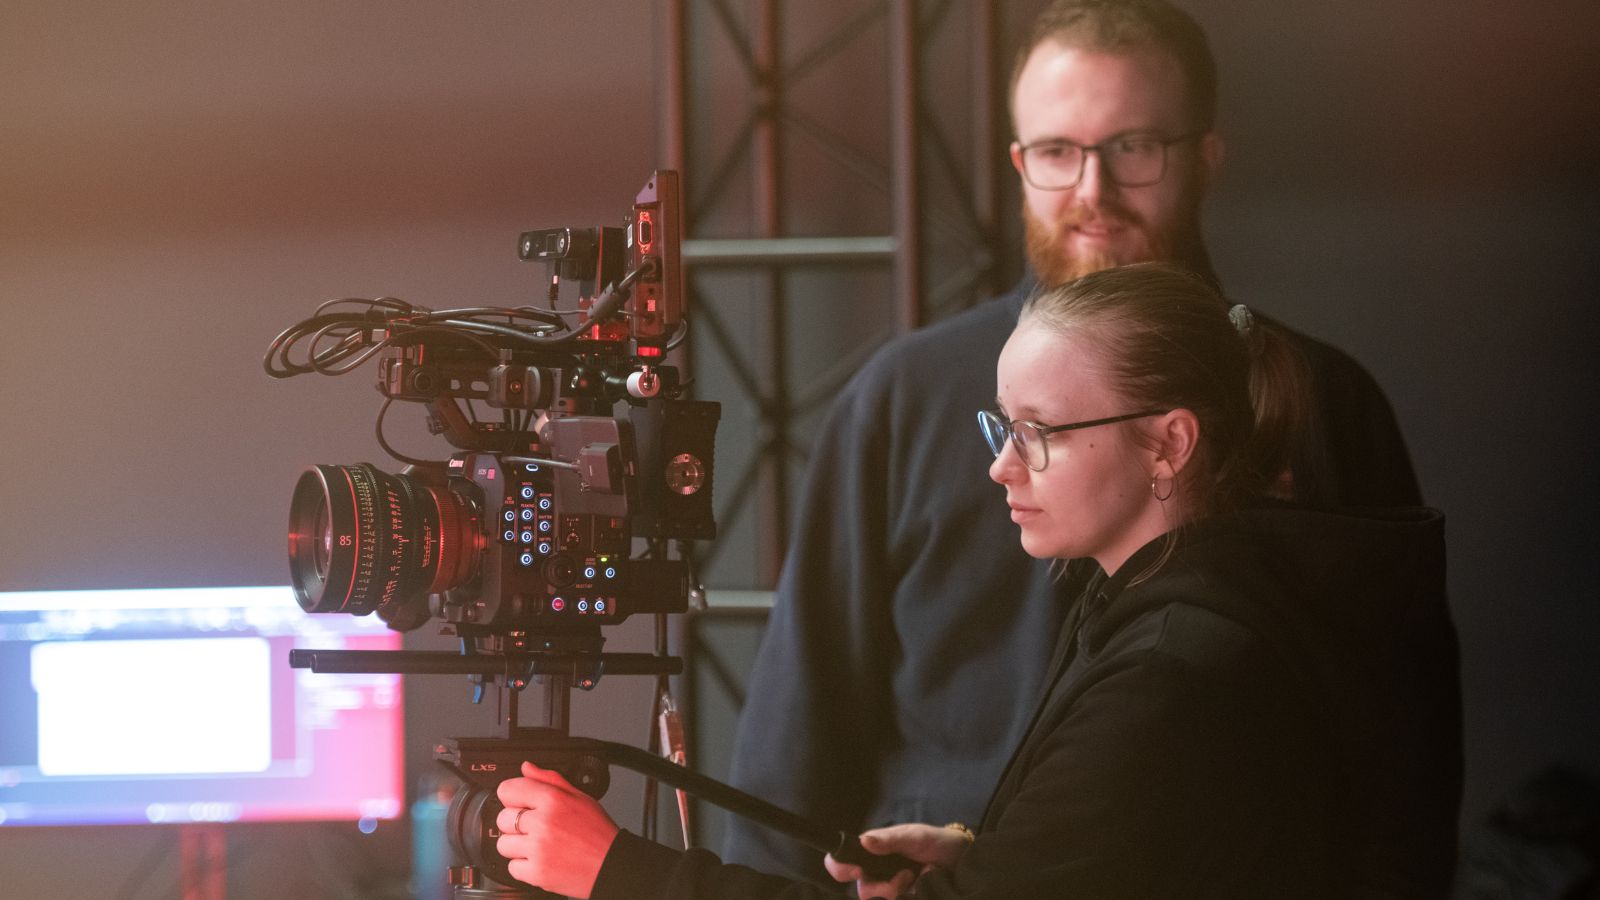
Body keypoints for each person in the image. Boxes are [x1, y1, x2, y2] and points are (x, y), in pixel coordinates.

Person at [721, 0, 1426, 889]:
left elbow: (1397, 743)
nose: (1091, 190)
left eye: (1133, 146)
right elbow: (798, 737)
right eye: (1056, 151)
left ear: (1205, 156)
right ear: (1019, 164)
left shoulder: (1321, 402)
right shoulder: (903, 397)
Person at [490, 263, 1462, 899]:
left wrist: (623, 872)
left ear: (1167, 444)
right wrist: (994, 865)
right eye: (1001, 429)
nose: (1002, 467)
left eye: (1039, 433)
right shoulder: (1169, 607)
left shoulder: (1179, 674)